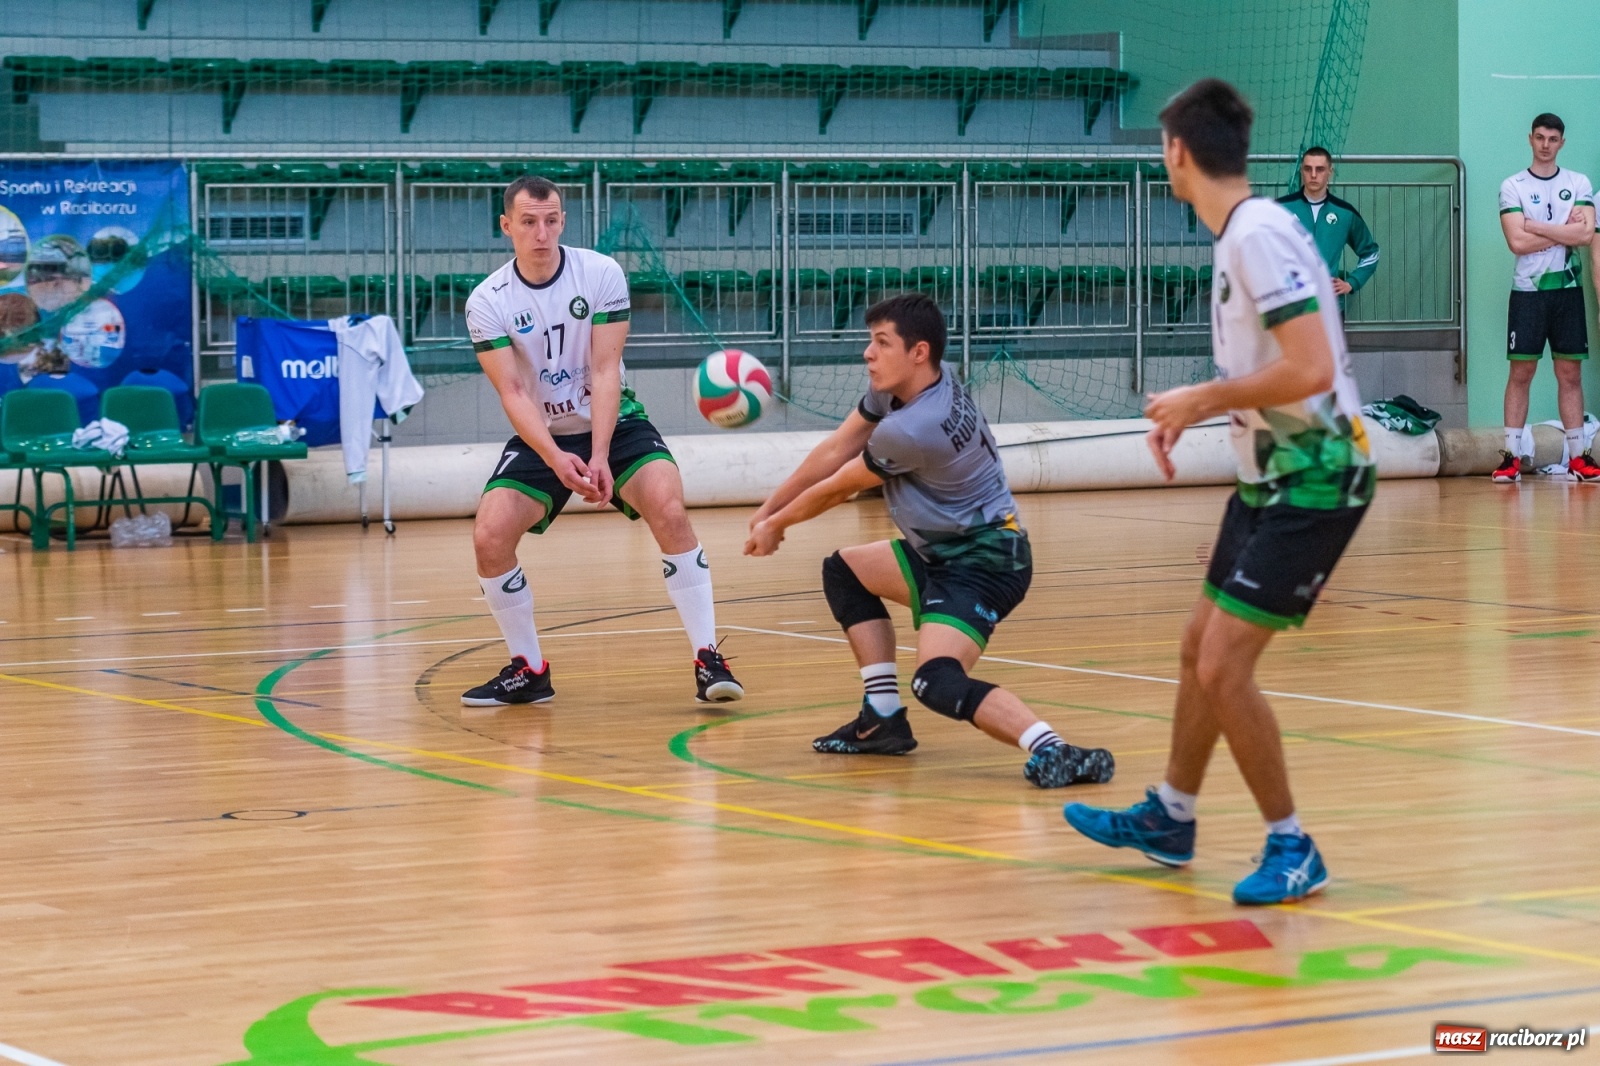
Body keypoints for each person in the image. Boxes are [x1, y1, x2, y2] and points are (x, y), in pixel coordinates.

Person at [1062, 79, 1373, 905]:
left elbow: (1307, 367)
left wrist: (1200, 400)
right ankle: (1172, 814)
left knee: (1224, 665)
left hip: (1318, 474)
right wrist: (1203, 407)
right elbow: (1281, 369)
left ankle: (1292, 844)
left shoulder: (1256, 236)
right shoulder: (1246, 231)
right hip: (1269, 476)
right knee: (1197, 646)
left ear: (1176, 152)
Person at [743, 293, 1113, 788]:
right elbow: (836, 447)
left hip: (984, 562)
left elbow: (841, 485)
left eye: (881, 343)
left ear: (919, 352)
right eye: (869, 342)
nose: (867, 354)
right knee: (845, 570)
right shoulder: (911, 388)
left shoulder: (916, 427)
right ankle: (881, 720)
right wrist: (768, 509)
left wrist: (779, 525)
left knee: (936, 681)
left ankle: (1055, 750)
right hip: (942, 550)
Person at [461, 175, 743, 707]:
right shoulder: (487, 300)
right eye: (528, 222)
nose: (541, 233)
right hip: (542, 434)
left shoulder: (601, 273)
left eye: (550, 220)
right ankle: (529, 669)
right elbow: (515, 392)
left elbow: (605, 367)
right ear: (506, 227)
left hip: (615, 425)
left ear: (562, 220)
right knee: (488, 537)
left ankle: (708, 658)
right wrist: (555, 456)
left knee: (669, 508)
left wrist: (596, 454)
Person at [1493, 113, 1598, 483]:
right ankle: (1511, 458)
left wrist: (1535, 225)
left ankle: (1578, 458)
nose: (1545, 144)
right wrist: (1560, 232)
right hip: (1528, 294)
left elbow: (1585, 236)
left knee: (1570, 373)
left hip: (1568, 293)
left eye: (1553, 139)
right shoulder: (1513, 185)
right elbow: (1516, 242)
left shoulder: (1578, 181)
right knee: (1521, 372)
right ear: (1530, 139)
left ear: (1562, 143)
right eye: (1539, 137)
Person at [1275, 147, 1380, 300]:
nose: (1313, 175)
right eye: (1307, 169)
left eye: (1320, 169)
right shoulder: (1280, 208)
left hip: (1330, 305)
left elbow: (1371, 253)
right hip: (1290, 305)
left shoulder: (1345, 213)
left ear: (1330, 171)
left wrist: (1352, 283)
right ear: (1301, 171)